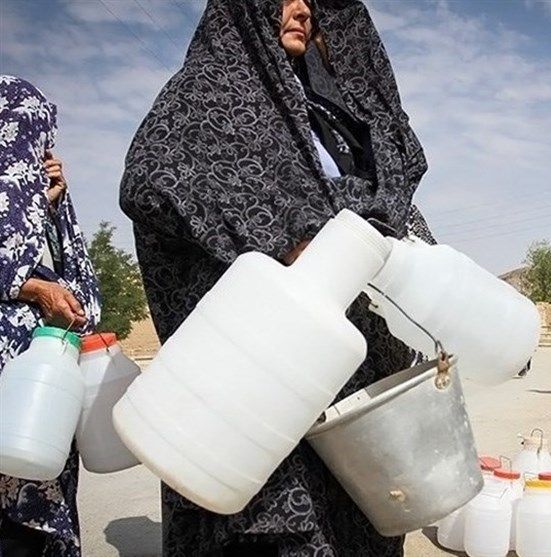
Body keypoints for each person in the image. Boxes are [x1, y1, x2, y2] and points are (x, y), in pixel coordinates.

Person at [119, 0, 433, 554]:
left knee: (361, 517)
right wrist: (281, 238)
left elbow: (385, 209)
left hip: (351, 371)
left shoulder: (336, 114)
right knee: (276, 516)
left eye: (312, 1)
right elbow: (152, 180)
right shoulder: (210, 92)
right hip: (267, 364)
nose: (301, 9)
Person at [0, 75, 101, 556]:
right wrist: (27, 284)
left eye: (43, 135)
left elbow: (77, 278)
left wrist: (51, 207)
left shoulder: (40, 205)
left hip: (40, 396)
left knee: (39, 514)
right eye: (25, 131)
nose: (39, 150)